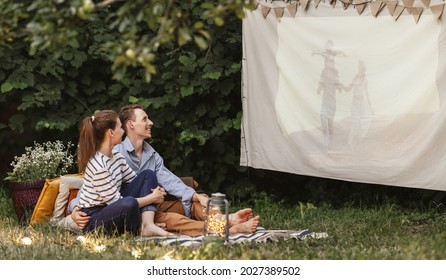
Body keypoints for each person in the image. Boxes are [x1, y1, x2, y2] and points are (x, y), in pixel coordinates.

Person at [71, 105, 260, 236]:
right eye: (145, 119)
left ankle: (228, 219)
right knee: (170, 218)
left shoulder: (151, 155)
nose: (151, 122)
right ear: (130, 125)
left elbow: (169, 181)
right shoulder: (114, 152)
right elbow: (91, 193)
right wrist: (74, 210)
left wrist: (195, 196)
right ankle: (224, 229)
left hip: (150, 204)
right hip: (127, 209)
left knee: (195, 201)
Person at [71, 110, 171, 236]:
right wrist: (152, 197)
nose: (123, 131)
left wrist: (156, 190)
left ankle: (148, 225)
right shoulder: (99, 166)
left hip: (112, 208)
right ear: (111, 133)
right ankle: (139, 229)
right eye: (120, 127)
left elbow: (136, 182)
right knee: (128, 202)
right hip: (94, 220)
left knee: (148, 174)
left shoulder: (116, 156)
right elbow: (117, 203)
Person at [313, 40, 346, 150]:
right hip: (324, 101)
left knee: (330, 124)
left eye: (331, 62)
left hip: (332, 102)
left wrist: (340, 87)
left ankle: (330, 144)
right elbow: (321, 82)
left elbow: (338, 83)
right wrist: (318, 88)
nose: (329, 62)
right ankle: (325, 143)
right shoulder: (324, 70)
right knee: (323, 123)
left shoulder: (335, 70)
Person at [344, 60, 374, 144]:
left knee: (360, 123)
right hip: (354, 102)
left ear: (364, 69)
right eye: (358, 68)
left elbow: (367, 94)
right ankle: (350, 142)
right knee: (355, 122)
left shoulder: (365, 80)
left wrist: (371, 107)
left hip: (361, 103)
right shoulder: (355, 78)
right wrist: (341, 85)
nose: (359, 69)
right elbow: (348, 89)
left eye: (360, 68)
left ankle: (357, 140)